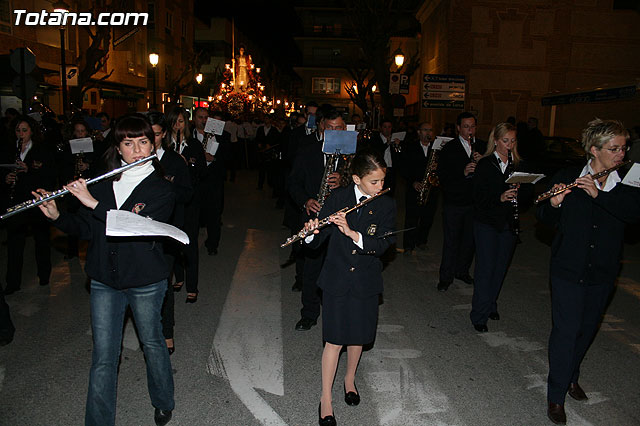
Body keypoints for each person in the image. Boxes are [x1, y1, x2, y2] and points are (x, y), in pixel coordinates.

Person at [35, 114, 176, 426]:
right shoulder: (103, 181)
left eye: (143, 141)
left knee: (152, 344)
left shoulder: (161, 188)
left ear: (153, 143)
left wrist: (90, 202)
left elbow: (133, 227)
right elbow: (88, 229)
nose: (138, 150)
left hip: (146, 281)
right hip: (104, 280)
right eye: (129, 143)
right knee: (103, 357)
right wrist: (57, 214)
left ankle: (164, 399)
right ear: (119, 148)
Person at [537, 118, 640, 425]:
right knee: (565, 332)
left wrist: (601, 195)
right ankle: (555, 395)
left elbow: (634, 216)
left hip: (603, 272)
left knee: (586, 330)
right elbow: (543, 215)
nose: (621, 154)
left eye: (624, 147)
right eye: (614, 148)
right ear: (594, 150)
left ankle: (571, 376)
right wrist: (553, 203)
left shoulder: (629, 179)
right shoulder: (569, 175)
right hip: (567, 269)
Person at [303, 150, 396, 426]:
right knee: (334, 340)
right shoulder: (338, 199)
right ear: (357, 179)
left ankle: (350, 380)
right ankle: (326, 399)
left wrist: (353, 234)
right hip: (336, 279)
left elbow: (383, 245)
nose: (380, 187)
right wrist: (310, 234)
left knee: (358, 337)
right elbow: (318, 242)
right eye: (374, 182)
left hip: (366, 280)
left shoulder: (386, 205)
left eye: (382, 181)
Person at [287, 107, 348, 331]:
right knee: (312, 268)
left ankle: (338, 312)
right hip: (314, 218)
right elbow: (293, 183)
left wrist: (346, 179)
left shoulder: (350, 156)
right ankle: (309, 313)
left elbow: (365, 185)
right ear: (322, 126)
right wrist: (306, 201)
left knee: (341, 268)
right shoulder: (307, 151)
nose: (335, 132)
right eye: (330, 128)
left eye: (339, 128)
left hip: (343, 218)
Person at [469, 123, 522, 332]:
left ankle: (491, 303)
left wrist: (520, 191)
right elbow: (478, 198)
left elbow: (526, 199)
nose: (509, 145)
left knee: (500, 268)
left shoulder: (516, 165)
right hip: (486, 224)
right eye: (505, 141)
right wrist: (499, 197)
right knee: (485, 269)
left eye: (512, 141)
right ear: (496, 141)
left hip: (507, 224)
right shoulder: (486, 164)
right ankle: (479, 315)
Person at [149, 111, 193, 354]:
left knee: (163, 281)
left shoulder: (174, 161)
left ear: (163, 134)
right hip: (138, 230)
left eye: (155, 135)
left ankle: (167, 331)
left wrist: (168, 186)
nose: (150, 140)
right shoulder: (130, 159)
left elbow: (187, 193)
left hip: (165, 231)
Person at [2, 116, 55, 295]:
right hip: (16, 200)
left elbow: (48, 176)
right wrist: (6, 179)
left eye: (24, 130)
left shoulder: (41, 150)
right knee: (15, 242)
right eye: (18, 131)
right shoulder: (10, 150)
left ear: (31, 131)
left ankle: (44, 275)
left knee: (41, 239)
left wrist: (28, 170)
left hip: (35, 200)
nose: (21, 134)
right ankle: (12, 282)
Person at [436, 112, 486, 291]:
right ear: (458, 128)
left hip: (474, 202)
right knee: (451, 241)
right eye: (466, 127)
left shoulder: (482, 147)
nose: (469, 130)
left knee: (469, 241)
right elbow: (443, 176)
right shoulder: (449, 148)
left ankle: (462, 271)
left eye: (472, 127)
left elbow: (489, 177)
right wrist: (463, 173)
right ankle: (445, 276)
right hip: (454, 202)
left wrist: (483, 164)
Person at [166, 107, 206, 303]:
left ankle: (192, 285)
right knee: (172, 242)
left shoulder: (194, 145)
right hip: (170, 202)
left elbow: (201, 172)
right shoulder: (165, 147)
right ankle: (178, 276)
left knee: (189, 243)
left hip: (190, 201)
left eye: (181, 121)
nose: (177, 125)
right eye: (174, 122)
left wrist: (186, 166)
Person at [401, 122, 440, 254]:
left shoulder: (436, 150)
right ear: (419, 132)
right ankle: (408, 245)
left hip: (431, 189)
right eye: (425, 130)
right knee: (411, 218)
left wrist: (437, 168)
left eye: (430, 130)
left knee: (428, 217)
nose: (428, 133)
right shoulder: (410, 147)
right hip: (414, 188)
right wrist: (413, 182)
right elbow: (404, 168)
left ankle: (421, 241)